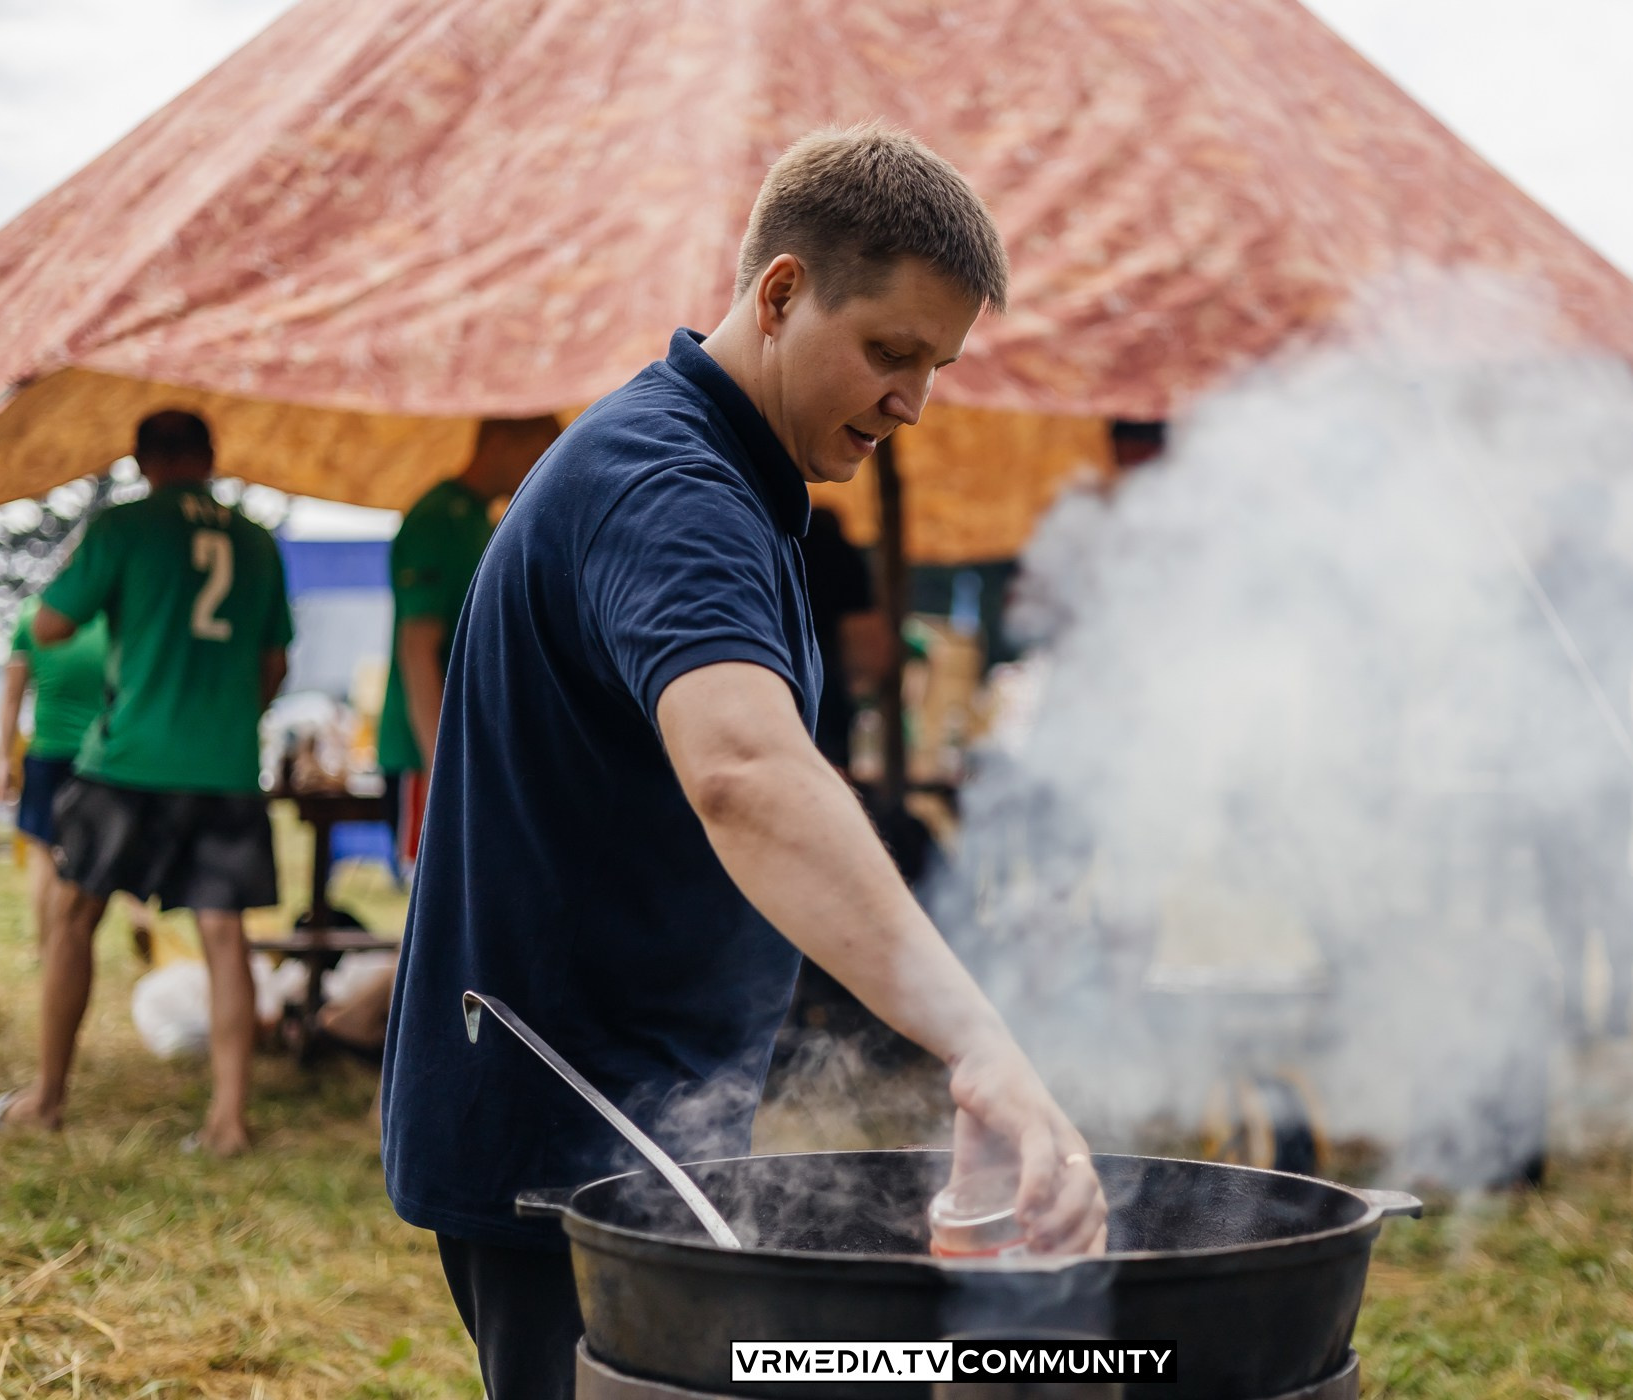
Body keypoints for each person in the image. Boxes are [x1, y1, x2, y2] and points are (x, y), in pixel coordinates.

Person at [381, 125, 1107, 1399]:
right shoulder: (668, 485)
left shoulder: (739, 482)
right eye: (889, 351)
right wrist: (978, 1040)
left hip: (643, 1113)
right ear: (779, 293)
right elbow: (746, 773)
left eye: (935, 366)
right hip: (562, 1124)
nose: (912, 401)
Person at [0, 410, 294, 1157]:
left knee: (73, 917)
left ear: (142, 458)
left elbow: (50, 625)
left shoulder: (125, 525)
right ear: (210, 457)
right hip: (222, 764)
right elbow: (275, 663)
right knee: (223, 935)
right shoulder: (255, 540)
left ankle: (48, 1098)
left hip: (128, 761)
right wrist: (225, 714)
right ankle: (228, 1122)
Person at [377, 417, 561, 864]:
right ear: (500, 442)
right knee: (439, 896)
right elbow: (417, 649)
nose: (547, 467)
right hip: (432, 752)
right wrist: (443, 768)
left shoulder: (484, 518)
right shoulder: (438, 518)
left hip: (473, 751)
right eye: (540, 450)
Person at [0, 595, 157, 959]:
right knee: (119, 843)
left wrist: (4, 759)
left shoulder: (31, 618)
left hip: (48, 752)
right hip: (102, 755)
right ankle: (139, 913)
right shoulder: (110, 619)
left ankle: (45, 947)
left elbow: (11, 697)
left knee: (45, 854)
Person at [799, 506, 887, 773]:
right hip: (827, 674)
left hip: (778, 664)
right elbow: (861, 629)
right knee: (829, 766)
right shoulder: (844, 557)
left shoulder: (779, 544)